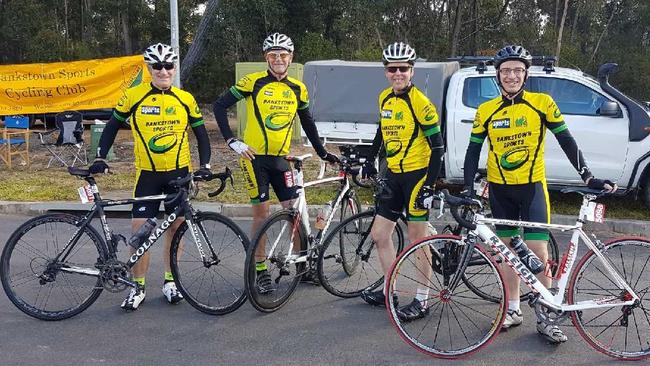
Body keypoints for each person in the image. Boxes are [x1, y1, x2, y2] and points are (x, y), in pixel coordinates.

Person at [463, 44, 617, 343]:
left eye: (517, 70)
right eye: (506, 70)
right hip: (500, 189)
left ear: (526, 73)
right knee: (506, 252)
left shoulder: (542, 103)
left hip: (532, 188)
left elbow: (566, 140)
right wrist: (469, 188)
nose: (511, 76)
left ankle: (546, 315)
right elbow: (472, 153)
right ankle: (512, 308)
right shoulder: (486, 110)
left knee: (539, 252)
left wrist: (588, 175)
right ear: (498, 75)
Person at [89, 43, 212, 311]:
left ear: (174, 68)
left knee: (176, 229)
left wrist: (205, 165)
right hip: (147, 175)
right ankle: (138, 286)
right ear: (149, 68)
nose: (163, 71)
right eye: (157, 66)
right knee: (140, 233)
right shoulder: (134, 96)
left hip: (179, 175)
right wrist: (99, 157)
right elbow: (111, 126)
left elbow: (201, 135)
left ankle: (170, 281)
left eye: (168, 65)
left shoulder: (185, 98)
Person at [213, 32, 339, 292]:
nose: (279, 59)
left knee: (294, 211)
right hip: (254, 159)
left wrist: (323, 152)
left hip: (280, 160)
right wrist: (231, 141)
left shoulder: (297, 88)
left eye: (283, 55)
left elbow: (308, 123)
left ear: (291, 58)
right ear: (266, 58)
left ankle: (302, 267)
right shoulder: (253, 82)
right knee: (261, 214)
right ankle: (260, 271)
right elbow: (219, 106)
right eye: (273, 55)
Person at [358, 42, 444, 322]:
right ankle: (389, 289)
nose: (398, 73)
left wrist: (429, 186)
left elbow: (438, 149)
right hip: (394, 176)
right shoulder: (384, 97)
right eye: (392, 69)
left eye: (403, 69)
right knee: (380, 235)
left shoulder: (421, 103)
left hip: (417, 176)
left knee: (418, 239)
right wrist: (370, 159)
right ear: (386, 72)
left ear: (412, 71)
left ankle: (422, 299)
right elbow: (381, 133)